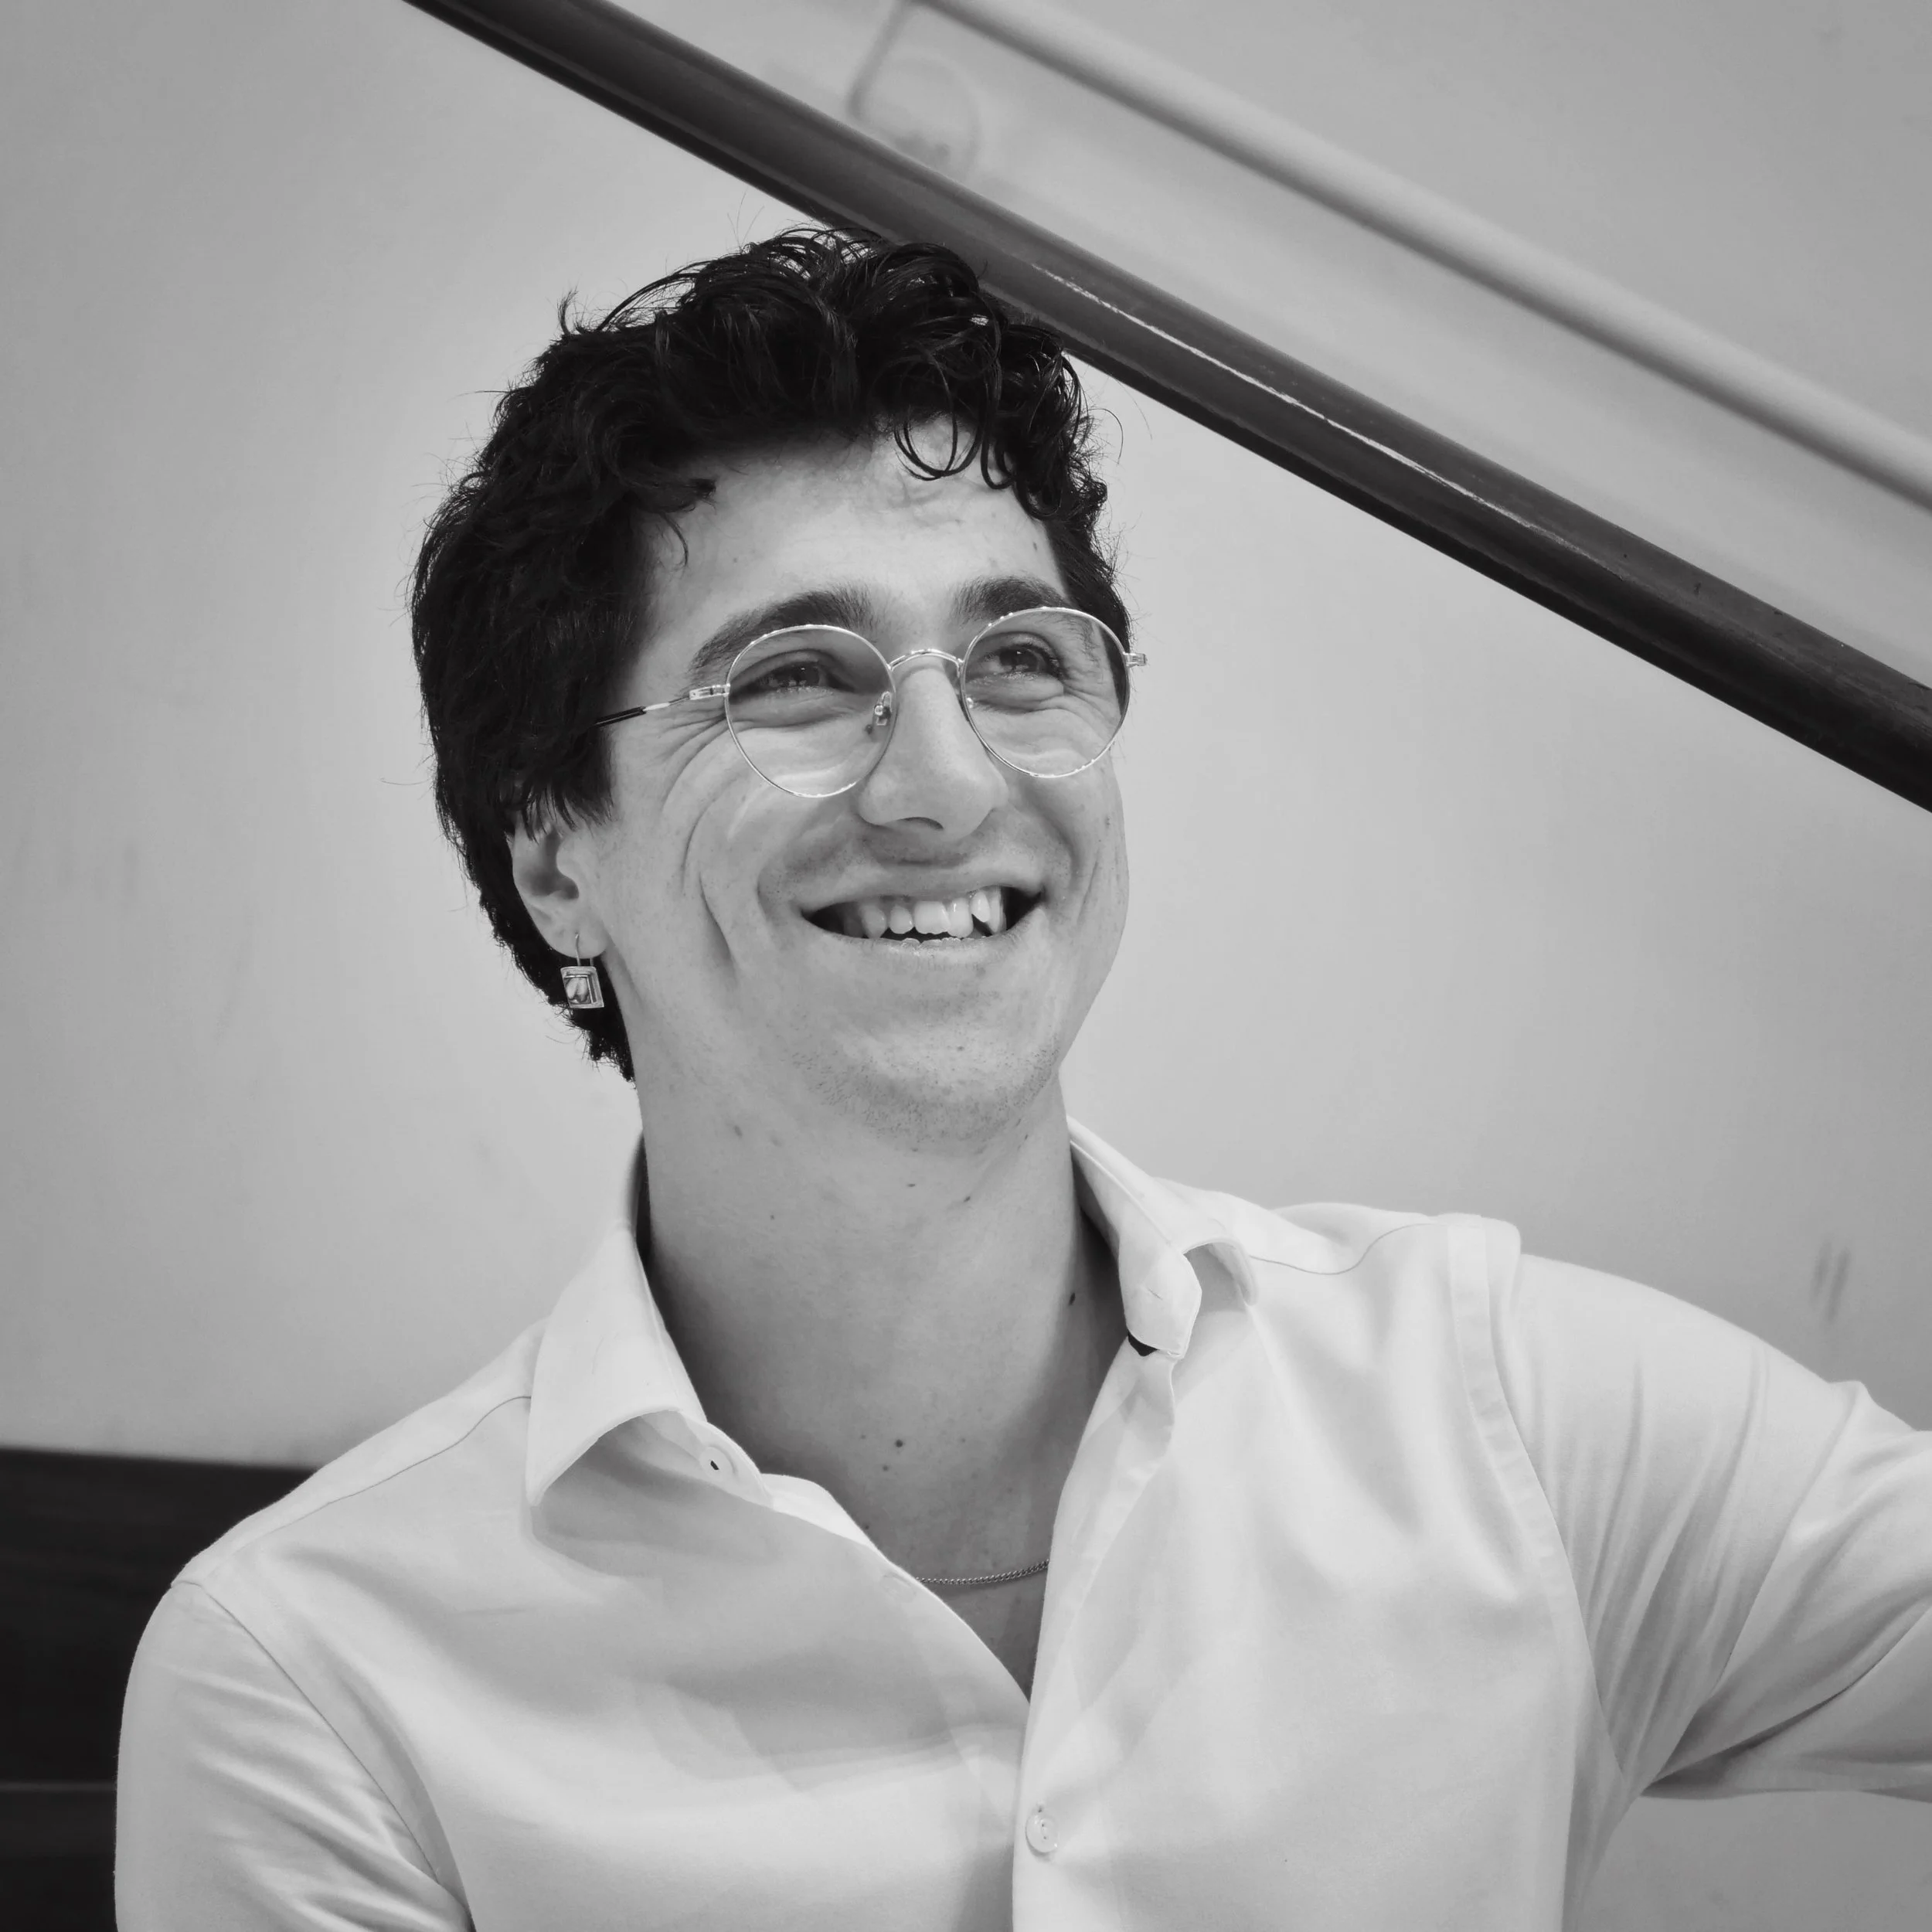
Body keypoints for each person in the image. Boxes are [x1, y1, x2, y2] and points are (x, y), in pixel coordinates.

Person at [116, 228, 1931, 1930]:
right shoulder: (316, 1682)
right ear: (552, 855)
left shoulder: (1503, 1419)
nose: (944, 780)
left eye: (1019, 659)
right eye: (796, 677)